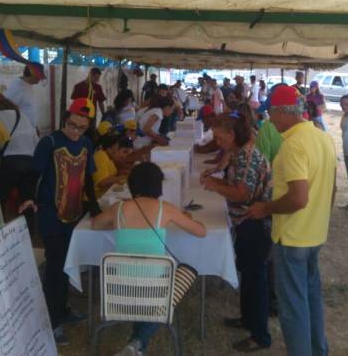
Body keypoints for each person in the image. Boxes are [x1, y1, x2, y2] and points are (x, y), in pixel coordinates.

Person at [245, 85, 337, 356]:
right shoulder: (322, 137)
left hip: (293, 237)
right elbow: (329, 189)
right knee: (310, 299)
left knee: (292, 308)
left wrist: (265, 208)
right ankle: (318, 350)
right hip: (315, 234)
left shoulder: (292, 146)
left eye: (271, 114)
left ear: (282, 112)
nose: (269, 121)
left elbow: (298, 198)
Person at [91, 162, 206, 355]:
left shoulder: (119, 208)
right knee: (176, 281)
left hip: (119, 290)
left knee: (149, 295)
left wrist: (119, 225)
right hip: (155, 292)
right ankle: (136, 343)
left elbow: (95, 225)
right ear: (158, 186)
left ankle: (135, 345)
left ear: (132, 184)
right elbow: (200, 232)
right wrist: (190, 218)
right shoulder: (165, 208)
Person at [28, 97, 99, 345]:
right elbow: (33, 173)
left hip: (74, 213)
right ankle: (52, 320)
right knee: (56, 266)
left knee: (69, 263)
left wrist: (95, 206)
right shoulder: (49, 142)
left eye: (81, 128)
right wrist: (29, 199)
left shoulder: (87, 144)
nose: (75, 131)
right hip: (50, 213)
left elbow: (88, 177)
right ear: (64, 120)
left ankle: (63, 309)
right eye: (71, 125)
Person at [202, 113, 273, 352]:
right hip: (245, 223)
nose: (218, 143)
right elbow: (235, 187)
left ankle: (260, 335)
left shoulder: (248, 157)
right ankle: (247, 319)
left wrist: (214, 186)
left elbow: (242, 193)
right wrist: (217, 182)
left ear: (232, 135)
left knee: (255, 278)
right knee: (247, 272)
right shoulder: (240, 154)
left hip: (254, 224)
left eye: (220, 138)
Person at [0, 92, 39, 219]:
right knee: (27, 202)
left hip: (10, 164)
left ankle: (0, 230)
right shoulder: (22, 115)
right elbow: (36, 142)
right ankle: (29, 233)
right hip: (30, 163)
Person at [4, 62, 45, 132]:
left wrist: (34, 126)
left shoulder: (29, 85)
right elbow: (8, 108)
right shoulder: (17, 86)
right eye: (38, 77)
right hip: (21, 129)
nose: (39, 80)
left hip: (30, 128)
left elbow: (30, 108)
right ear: (30, 74)